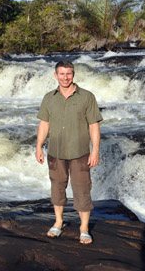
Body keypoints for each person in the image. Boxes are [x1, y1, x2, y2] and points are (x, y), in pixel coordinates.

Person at [35, 60, 102, 245]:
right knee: (57, 187)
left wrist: (95, 150)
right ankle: (58, 222)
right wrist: (39, 146)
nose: (66, 77)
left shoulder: (87, 97)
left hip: (80, 152)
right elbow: (44, 124)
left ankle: (84, 228)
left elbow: (93, 125)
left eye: (69, 73)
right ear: (55, 75)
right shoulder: (49, 98)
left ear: (73, 74)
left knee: (82, 189)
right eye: (62, 74)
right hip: (55, 151)